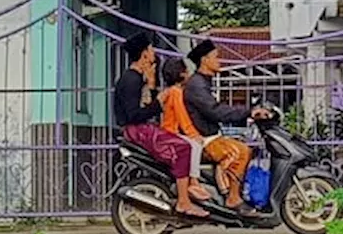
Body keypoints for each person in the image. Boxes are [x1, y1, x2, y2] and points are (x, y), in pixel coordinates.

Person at [113, 31, 208, 219]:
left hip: (140, 128)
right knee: (183, 148)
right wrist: (159, 102)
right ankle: (183, 202)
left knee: (185, 146)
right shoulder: (131, 79)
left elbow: (146, 106)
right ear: (144, 54)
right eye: (151, 50)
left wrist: (152, 86)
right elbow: (134, 115)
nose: (153, 53)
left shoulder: (137, 77)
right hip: (137, 130)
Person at [182, 39, 269, 214]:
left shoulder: (203, 82)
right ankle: (233, 198)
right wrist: (248, 112)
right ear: (205, 60)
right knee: (242, 151)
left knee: (240, 145)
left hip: (211, 135)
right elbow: (215, 111)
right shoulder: (197, 85)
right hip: (205, 139)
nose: (219, 61)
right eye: (216, 57)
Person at [158, 56, 208, 189]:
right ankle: (194, 180)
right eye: (186, 71)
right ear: (181, 74)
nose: (189, 74)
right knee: (195, 146)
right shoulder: (176, 92)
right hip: (171, 132)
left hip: (167, 131)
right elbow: (182, 118)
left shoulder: (169, 91)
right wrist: (195, 135)